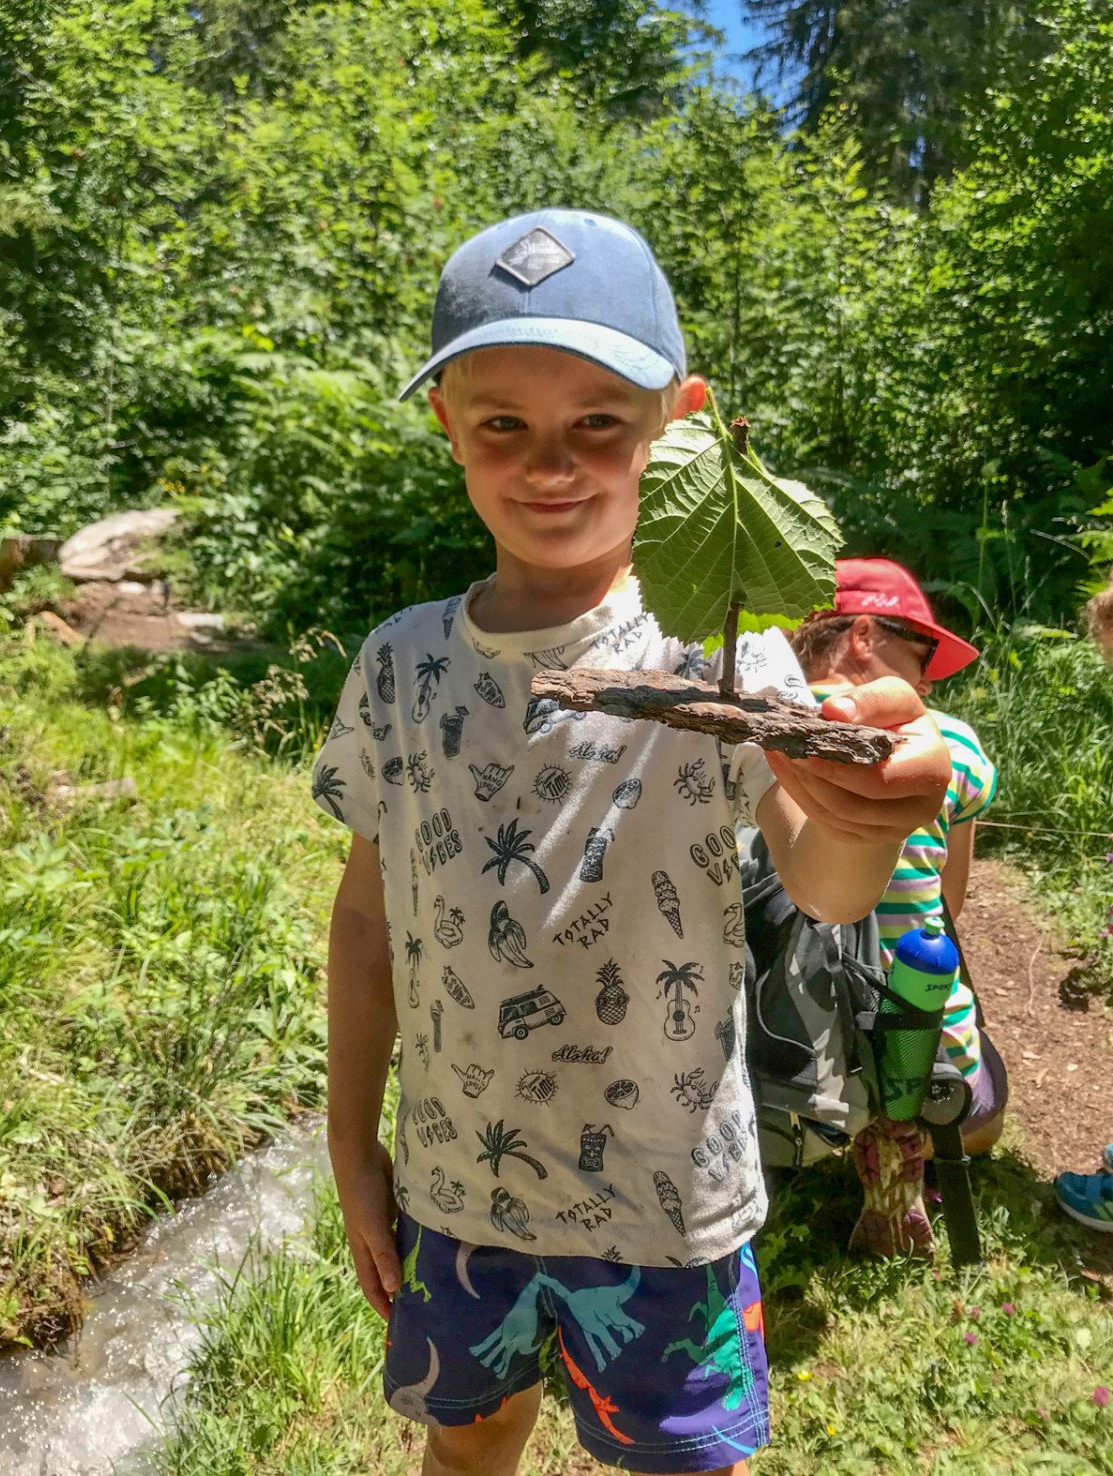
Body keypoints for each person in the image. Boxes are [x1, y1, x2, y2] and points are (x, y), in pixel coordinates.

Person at [311, 209, 950, 1476]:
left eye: (599, 418)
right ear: (446, 420)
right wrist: (350, 1140)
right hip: (457, 1191)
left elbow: (820, 884)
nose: (552, 460)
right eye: (504, 421)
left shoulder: (725, 654)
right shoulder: (400, 663)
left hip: (669, 1207)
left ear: (683, 420)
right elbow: (367, 918)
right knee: (469, 1439)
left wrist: (865, 819)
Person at [790, 558, 1007, 1256]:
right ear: (860, 635)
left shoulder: (749, 730)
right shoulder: (950, 744)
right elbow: (951, 900)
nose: (925, 683)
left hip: (778, 1048)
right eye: (920, 659)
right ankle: (899, 1161)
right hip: (915, 1059)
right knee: (986, 1105)